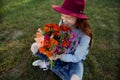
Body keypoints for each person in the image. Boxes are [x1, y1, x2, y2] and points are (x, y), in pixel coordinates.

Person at [31, 0, 93, 80]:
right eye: (62, 16)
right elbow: (59, 38)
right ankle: (52, 64)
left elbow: (77, 57)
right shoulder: (63, 23)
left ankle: (49, 64)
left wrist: (59, 56)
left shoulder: (84, 35)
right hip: (61, 51)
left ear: (78, 17)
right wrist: (50, 44)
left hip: (73, 60)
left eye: (68, 17)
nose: (64, 20)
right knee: (34, 46)